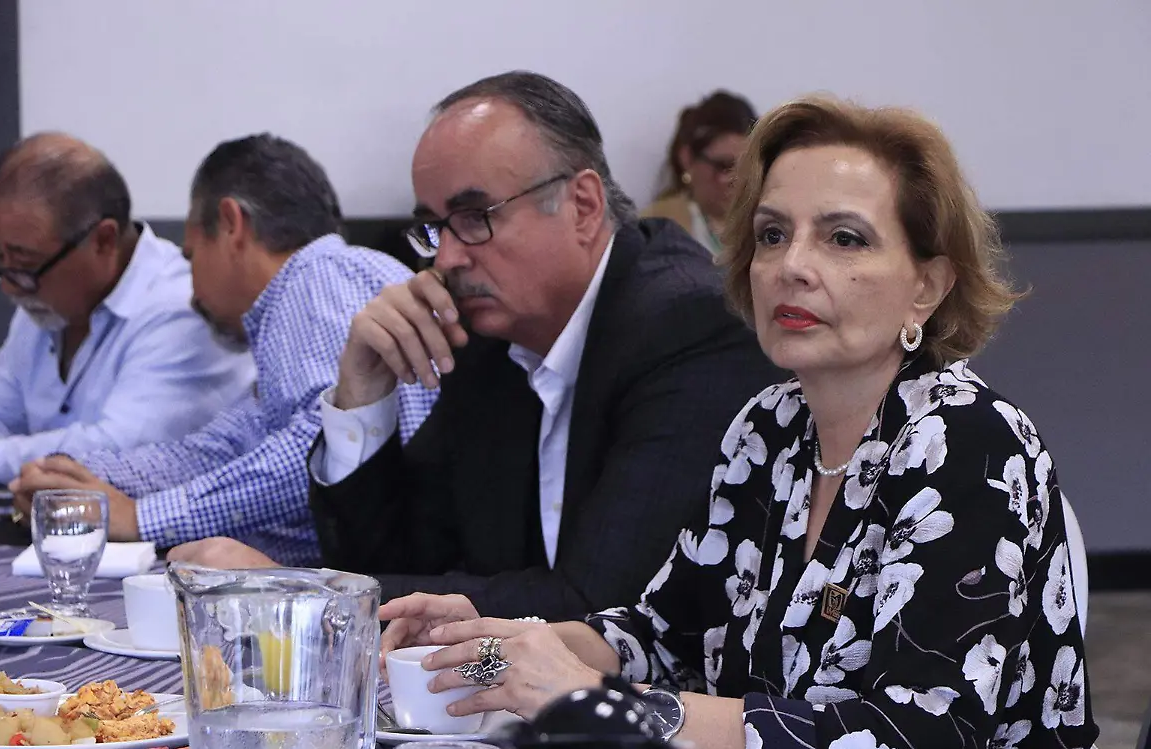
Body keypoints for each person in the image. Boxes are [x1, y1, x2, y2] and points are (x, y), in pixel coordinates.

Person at [375, 95, 1099, 748]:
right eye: (773, 234)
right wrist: (488, 648)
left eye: (844, 239)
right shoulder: (770, 426)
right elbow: (662, 634)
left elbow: (915, 734)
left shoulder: (969, 443)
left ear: (927, 287)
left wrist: (611, 703)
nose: (792, 266)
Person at [171, 71, 780, 618]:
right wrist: (363, 397)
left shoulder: (687, 326)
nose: (447, 259)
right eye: (434, 227)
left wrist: (300, 591)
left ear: (583, 206)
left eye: (474, 217)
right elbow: (401, 563)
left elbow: (601, 608)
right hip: (502, 685)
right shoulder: (489, 334)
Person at [9, 134, 436, 566]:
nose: (192, 292)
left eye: (192, 256)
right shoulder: (304, 303)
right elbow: (219, 450)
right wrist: (78, 477)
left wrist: (142, 519)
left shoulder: (319, 274)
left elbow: (319, 443)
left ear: (231, 223)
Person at [0, 133, 254, 487]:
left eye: (25, 262)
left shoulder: (182, 305)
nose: (10, 285)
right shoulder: (42, 294)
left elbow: (114, 451)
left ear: (104, 240)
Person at [643, 92, 758, 256]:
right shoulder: (656, 226)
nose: (736, 179)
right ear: (687, 159)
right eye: (724, 166)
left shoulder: (767, 220)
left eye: (746, 167)